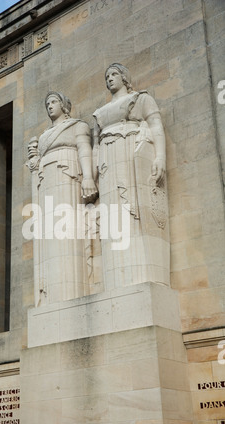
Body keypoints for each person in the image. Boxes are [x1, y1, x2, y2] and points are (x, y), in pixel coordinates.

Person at [93, 63, 170, 290]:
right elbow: (95, 148)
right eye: (107, 76)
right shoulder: (100, 113)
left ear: (125, 77)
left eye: (114, 74)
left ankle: (142, 273)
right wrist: (94, 177)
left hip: (131, 156)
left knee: (134, 214)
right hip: (108, 166)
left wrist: (160, 157)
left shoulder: (141, 99)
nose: (110, 79)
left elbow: (156, 126)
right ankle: (117, 281)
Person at [28, 91, 98, 305]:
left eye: (54, 102)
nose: (50, 106)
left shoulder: (77, 126)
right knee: (52, 237)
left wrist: (88, 178)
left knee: (68, 232)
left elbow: (85, 151)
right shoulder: (43, 138)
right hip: (48, 184)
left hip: (69, 176)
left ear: (64, 105)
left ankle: (74, 292)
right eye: (47, 103)